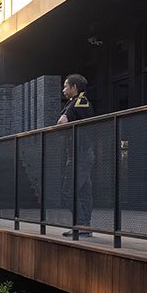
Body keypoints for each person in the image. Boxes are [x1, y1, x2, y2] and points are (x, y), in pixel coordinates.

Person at [57, 74, 96, 238]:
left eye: (66, 86)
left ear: (74, 88)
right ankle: (84, 226)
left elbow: (61, 122)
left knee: (68, 191)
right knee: (84, 191)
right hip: (83, 153)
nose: (63, 89)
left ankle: (81, 225)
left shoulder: (79, 102)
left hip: (79, 154)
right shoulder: (76, 103)